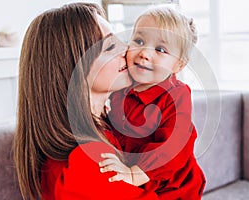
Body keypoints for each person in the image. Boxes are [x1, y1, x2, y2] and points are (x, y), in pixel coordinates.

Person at [13, 3, 158, 200]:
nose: (127, 49)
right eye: (110, 46)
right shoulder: (86, 162)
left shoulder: (108, 130)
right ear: (72, 69)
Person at [101, 7, 206, 199]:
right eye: (139, 41)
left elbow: (175, 145)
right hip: (135, 175)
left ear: (179, 65)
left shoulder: (176, 95)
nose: (145, 53)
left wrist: (137, 172)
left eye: (160, 49)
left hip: (173, 185)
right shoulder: (121, 86)